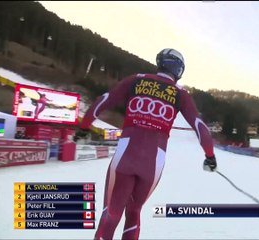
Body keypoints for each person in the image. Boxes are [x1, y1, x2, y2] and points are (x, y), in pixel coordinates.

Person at [79, 48, 218, 240]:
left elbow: (103, 101)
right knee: (134, 212)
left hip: (126, 153)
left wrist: (84, 127)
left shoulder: (136, 79)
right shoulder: (180, 93)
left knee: (112, 211)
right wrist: (210, 156)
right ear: (179, 70)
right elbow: (200, 126)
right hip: (154, 162)